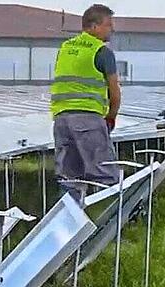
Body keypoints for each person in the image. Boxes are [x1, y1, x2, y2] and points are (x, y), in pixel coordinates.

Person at [51, 4, 121, 203]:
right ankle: (110, 221)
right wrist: (111, 116)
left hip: (61, 119)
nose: (112, 29)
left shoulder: (65, 48)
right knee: (105, 173)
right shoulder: (102, 52)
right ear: (93, 26)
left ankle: (71, 224)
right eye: (108, 25)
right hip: (88, 119)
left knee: (69, 176)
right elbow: (114, 92)